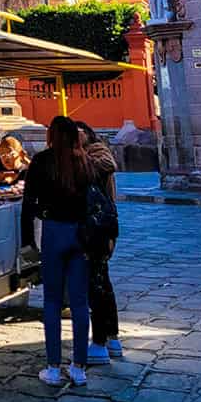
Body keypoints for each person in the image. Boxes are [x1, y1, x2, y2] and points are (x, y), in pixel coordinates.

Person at [21, 115, 93, 387]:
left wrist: (27, 241)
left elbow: (29, 204)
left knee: (51, 301)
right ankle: (79, 367)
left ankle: (52, 367)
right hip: (81, 234)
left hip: (53, 231)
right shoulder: (85, 161)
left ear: (51, 135)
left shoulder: (41, 161)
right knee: (79, 303)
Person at [76, 122, 123, 363]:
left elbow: (105, 169)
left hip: (98, 226)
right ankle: (112, 337)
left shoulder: (97, 157)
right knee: (102, 283)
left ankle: (100, 341)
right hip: (100, 225)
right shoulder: (85, 157)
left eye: (78, 131)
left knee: (96, 286)